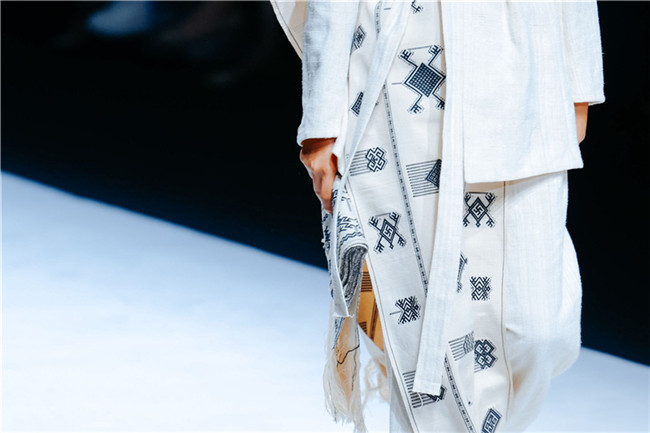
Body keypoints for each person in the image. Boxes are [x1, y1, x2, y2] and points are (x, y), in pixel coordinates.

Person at [269, 0, 605, 432]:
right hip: (406, 75)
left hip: (527, 68)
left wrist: (580, 80)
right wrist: (320, 123)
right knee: (424, 328)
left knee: (538, 331)